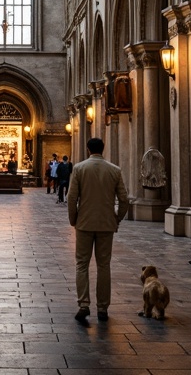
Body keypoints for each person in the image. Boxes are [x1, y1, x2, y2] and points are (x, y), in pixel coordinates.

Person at [66, 137, 128, 323]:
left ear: (87, 149)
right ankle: (102, 308)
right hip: (106, 225)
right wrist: (116, 218)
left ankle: (84, 304)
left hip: (84, 224)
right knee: (104, 265)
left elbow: (71, 198)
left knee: (82, 264)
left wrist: (73, 219)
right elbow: (124, 200)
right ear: (103, 148)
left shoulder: (79, 169)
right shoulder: (114, 170)